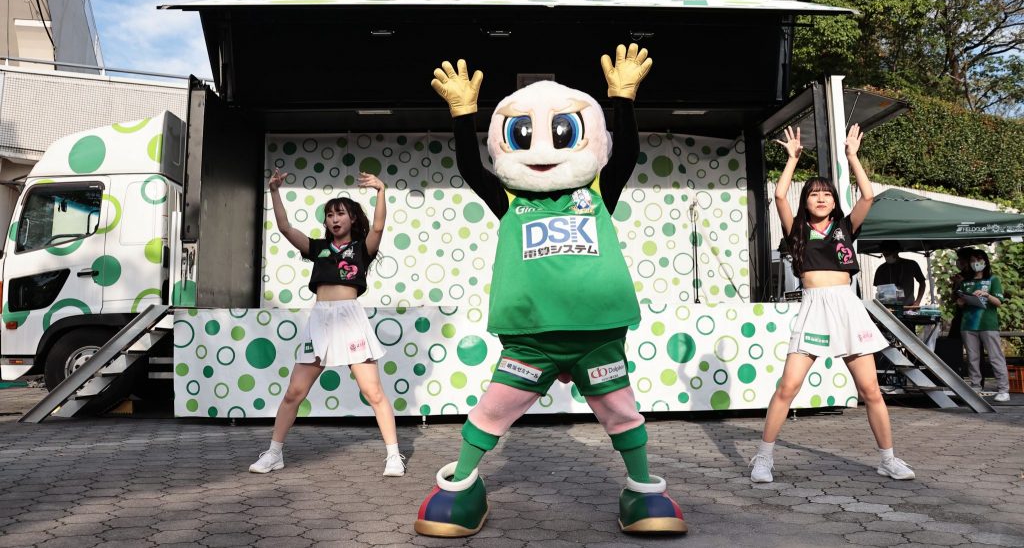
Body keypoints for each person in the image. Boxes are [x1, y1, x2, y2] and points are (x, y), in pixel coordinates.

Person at [414, 45, 686, 537]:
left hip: (596, 335)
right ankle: (460, 484)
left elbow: (627, 152)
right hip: (531, 339)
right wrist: (463, 115)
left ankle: (644, 490)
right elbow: (471, 168)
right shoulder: (510, 198)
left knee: (621, 410)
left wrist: (622, 100)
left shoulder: (597, 193)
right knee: (493, 409)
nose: (542, 150)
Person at [750, 125, 915, 483]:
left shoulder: (845, 227)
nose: (821, 198)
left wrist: (852, 156)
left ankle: (888, 459)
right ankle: (763, 458)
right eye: (814, 194)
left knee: (870, 390)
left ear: (834, 201)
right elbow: (779, 195)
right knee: (787, 388)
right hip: (813, 307)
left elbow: (868, 196)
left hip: (847, 307)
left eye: (826, 194)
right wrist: (792, 160)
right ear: (806, 201)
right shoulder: (797, 230)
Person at [249, 169, 406, 476]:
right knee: (294, 392)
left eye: (341, 214)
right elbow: (285, 227)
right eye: (330, 215)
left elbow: (378, 226)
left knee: (373, 392)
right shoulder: (318, 248)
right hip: (320, 320)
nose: (335, 219)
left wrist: (381, 191)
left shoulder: (361, 249)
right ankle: (274, 453)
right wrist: (275, 191)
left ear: (352, 219)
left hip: (350, 319)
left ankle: (393, 456)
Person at [957, 249, 1010, 402]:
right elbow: (960, 302)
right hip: (968, 324)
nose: (976, 263)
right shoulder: (965, 282)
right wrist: (961, 300)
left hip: (988, 324)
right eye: (973, 261)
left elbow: (999, 302)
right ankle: (975, 387)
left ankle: (1003, 390)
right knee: (972, 358)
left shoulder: (993, 279)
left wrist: (987, 295)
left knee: (995, 357)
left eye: (979, 260)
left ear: (985, 262)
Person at [873, 241, 926, 307]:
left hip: (908, 307)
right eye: (884, 255)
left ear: (896, 251)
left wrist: (917, 302)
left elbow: (922, 282)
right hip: (888, 309)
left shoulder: (911, 264)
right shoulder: (881, 269)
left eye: (888, 254)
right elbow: (879, 290)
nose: (886, 257)